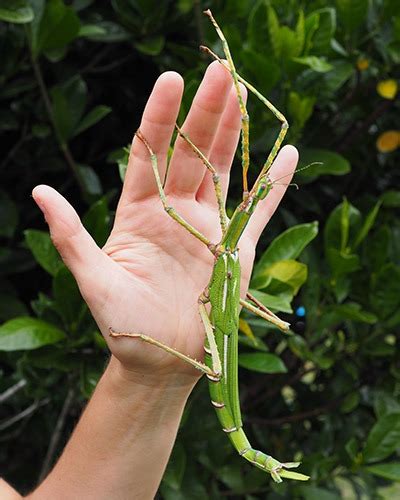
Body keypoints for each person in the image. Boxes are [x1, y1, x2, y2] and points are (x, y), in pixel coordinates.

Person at [0, 60, 298, 499]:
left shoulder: (224, 248)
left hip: (215, 338)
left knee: (229, 174)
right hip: (217, 327)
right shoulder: (223, 243)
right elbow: (199, 197)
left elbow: (197, 197)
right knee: (231, 173)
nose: (245, 200)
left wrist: (153, 380)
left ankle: (258, 455)